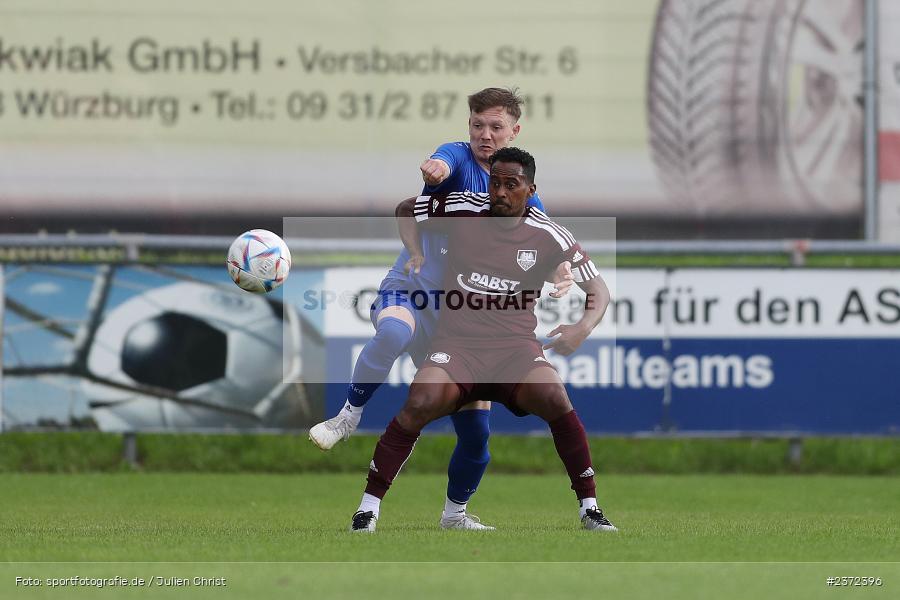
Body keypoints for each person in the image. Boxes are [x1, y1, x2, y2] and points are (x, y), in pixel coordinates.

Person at [309, 88, 573, 530]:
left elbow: (544, 243)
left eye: (495, 127)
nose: (484, 135)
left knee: (477, 440)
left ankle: (455, 515)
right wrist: (434, 180)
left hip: (456, 321)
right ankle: (348, 416)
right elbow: (430, 178)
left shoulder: (519, 190)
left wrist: (561, 271)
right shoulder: (456, 157)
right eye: (477, 125)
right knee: (393, 333)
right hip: (412, 291)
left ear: (515, 131)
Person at [350, 147, 617, 533]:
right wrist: (414, 252)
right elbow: (408, 208)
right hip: (458, 349)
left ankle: (590, 508)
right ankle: (367, 510)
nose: (501, 192)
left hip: (515, 352)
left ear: (531, 189)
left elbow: (600, 290)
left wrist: (582, 327)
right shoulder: (464, 208)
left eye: (512, 184)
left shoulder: (551, 234)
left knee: (556, 399)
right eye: (495, 182)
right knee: (419, 401)